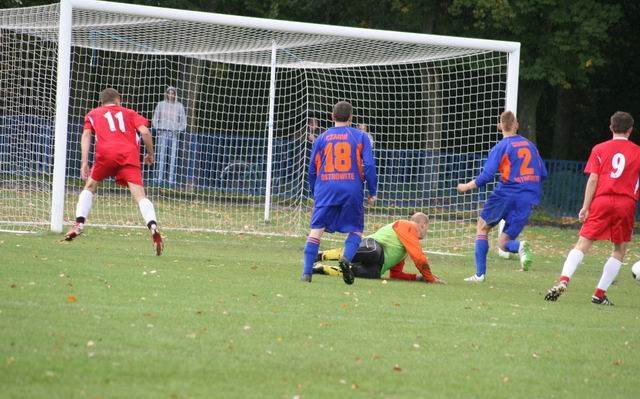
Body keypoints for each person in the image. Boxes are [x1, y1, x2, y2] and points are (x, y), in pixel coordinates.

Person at [545, 111, 639, 305]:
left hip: (601, 200)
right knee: (619, 250)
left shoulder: (599, 149)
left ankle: (563, 280)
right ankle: (599, 293)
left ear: (611, 127)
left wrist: (585, 206)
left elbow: (593, 178)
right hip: (625, 203)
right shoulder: (638, 152)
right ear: (630, 130)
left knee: (583, 243)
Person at [64, 88, 163, 256]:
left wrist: (84, 162)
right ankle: (153, 227)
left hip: (105, 154)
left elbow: (86, 135)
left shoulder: (93, 114)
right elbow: (145, 132)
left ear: (102, 102)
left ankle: (79, 224)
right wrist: (150, 154)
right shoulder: (129, 112)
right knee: (140, 195)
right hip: (128, 156)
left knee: (90, 187)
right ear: (117, 101)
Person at [457, 111, 546, 282]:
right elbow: (542, 173)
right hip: (528, 197)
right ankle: (520, 247)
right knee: (504, 243)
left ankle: (480, 275)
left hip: (506, 193)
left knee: (482, 227)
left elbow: (487, 176)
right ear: (516, 125)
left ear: (500, 126)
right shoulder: (531, 146)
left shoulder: (501, 147)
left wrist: (466, 187)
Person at [301, 101, 377, 284]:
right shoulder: (360, 136)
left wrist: (315, 192)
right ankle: (345, 259)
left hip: (325, 188)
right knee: (356, 230)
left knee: (316, 231)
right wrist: (372, 191)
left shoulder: (321, 138)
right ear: (351, 117)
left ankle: (306, 274)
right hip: (351, 188)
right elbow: (369, 165)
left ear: (332, 116)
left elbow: (311, 169)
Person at [313, 212, 444, 283]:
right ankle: (320, 255)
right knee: (374, 252)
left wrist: (417, 278)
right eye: (427, 228)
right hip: (370, 245)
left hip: (376, 261)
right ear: (422, 224)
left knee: (373, 274)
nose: (426, 232)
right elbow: (419, 259)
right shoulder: (408, 226)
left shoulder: (403, 249)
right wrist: (429, 278)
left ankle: (320, 269)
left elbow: (396, 275)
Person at [152, 86, 187, 186]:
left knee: (172, 158)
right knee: (161, 156)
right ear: (166, 94)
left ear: (175, 94)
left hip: (174, 134)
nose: (171, 95)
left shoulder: (179, 106)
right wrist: (158, 128)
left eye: (172, 93)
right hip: (162, 133)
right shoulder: (161, 105)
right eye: (169, 93)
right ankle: (158, 178)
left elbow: (183, 122)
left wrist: (178, 130)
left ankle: (171, 180)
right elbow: (155, 118)